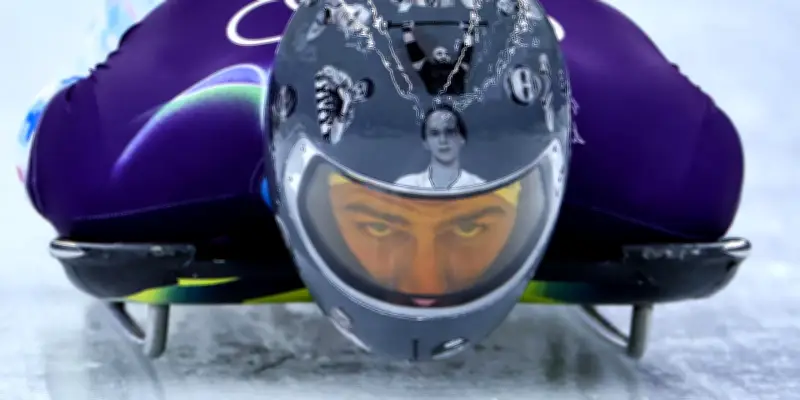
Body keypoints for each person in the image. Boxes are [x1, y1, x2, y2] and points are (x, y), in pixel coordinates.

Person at [16, 0, 743, 358]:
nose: (424, 282)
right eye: (377, 220)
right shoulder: (134, 146)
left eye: (472, 221)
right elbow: (43, 131)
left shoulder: (662, 151)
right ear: (284, 166)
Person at [394, 104, 484, 189]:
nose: (443, 140)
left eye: (450, 132)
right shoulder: (405, 186)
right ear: (425, 142)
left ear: (462, 139)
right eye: (435, 134)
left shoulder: (479, 187)